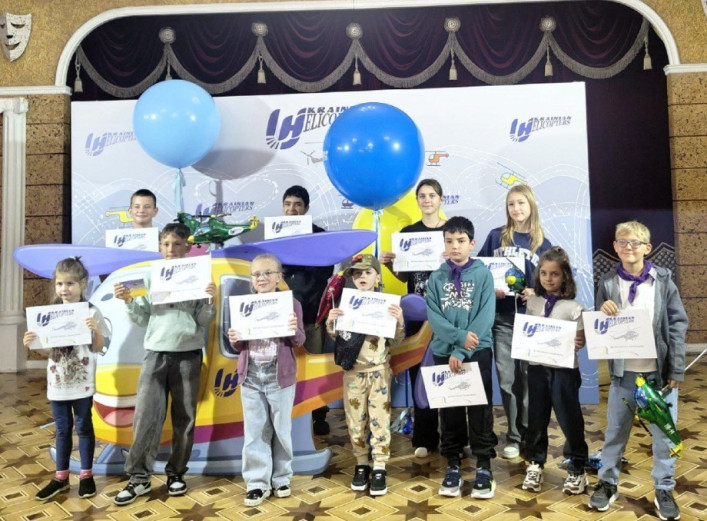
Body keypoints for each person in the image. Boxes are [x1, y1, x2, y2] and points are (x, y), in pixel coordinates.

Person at [589, 221, 687, 521]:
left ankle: (664, 488)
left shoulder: (663, 281)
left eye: (635, 243)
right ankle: (607, 482)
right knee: (615, 433)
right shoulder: (607, 282)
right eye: (622, 242)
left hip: (658, 378)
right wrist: (602, 311)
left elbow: (677, 325)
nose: (628, 247)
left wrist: (676, 368)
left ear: (647, 247)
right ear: (615, 247)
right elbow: (600, 327)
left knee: (664, 437)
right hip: (624, 377)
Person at [112, 223, 217, 505]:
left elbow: (204, 320)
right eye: (166, 244)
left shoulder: (199, 276)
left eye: (177, 244)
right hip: (156, 353)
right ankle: (139, 478)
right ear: (160, 247)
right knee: (146, 417)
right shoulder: (149, 276)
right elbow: (142, 318)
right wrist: (128, 301)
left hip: (188, 354)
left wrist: (210, 299)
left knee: (185, 418)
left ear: (187, 248)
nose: (171, 249)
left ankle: (177, 474)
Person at [23, 257, 108, 501]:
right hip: (57, 382)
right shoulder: (49, 314)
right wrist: (32, 344)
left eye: (70, 283)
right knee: (62, 429)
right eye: (60, 283)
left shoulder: (91, 311)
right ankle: (61, 477)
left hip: (82, 382)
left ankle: (86, 475)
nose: (64, 289)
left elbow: (98, 347)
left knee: (83, 426)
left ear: (83, 283)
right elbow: (47, 352)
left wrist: (96, 331)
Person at [477, 184, 551, 459]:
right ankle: (514, 436)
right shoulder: (496, 237)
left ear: (531, 205)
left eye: (521, 203)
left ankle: (530, 435)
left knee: (529, 382)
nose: (516, 209)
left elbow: (554, 282)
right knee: (507, 381)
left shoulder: (542, 243)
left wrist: (535, 292)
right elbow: (479, 271)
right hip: (503, 320)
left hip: (530, 321)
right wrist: (491, 288)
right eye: (511, 204)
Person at [426, 216, 498, 499]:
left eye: (460, 241)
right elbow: (435, 317)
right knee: (450, 410)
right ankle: (453, 463)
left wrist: (462, 350)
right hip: (443, 352)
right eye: (449, 241)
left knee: (480, 409)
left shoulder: (483, 275)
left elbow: (485, 317)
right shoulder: (436, 277)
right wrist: (456, 341)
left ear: (472, 243)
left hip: (477, 351)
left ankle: (484, 465)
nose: (454, 246)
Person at [227, 253, 305, 506]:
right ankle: (257, 483)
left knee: (281, 430)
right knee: (254, 431)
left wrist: (292, 329)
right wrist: (234, 338)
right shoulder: (244, 305)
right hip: (250, 375)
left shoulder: (291, 303)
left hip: (279, 375)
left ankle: (281, 477)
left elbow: (299, 340)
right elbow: (239, 345)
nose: (261, 278)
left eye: (267, 273)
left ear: (279, 276)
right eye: (256, 274)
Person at [325, 254, 405, 496]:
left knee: (380, 419)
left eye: (368, 272)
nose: (362, 277)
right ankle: (361, 463)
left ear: (377, 277)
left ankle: (379, 465)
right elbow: (337, 337)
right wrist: (331, 321)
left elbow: (396, 340)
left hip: (379, 372)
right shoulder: (345, 304)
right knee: (355, 421)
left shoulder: (386, 304)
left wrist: (399, 320)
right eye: (357, 273)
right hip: (353, 373)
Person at [379, 179, 444, 458]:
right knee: (420, 374)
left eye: (432, 195)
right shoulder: (408, 233)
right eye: (422, 196)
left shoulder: (451, 232)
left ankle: (452, 437)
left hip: (446, 313)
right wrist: (390, 265)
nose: (427, 200)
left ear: (441, 200)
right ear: (417, 201)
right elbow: (404, 275)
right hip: (417, 316)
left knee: (447, 371)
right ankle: (424, 437)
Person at [521, 246, 588, 495]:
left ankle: (577, 467)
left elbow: (580, 341)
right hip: (537, 369)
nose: (548, 279)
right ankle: (535, 463)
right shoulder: (533, 302)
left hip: (564, 372)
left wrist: (578, 341)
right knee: (536, 418)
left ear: (565, 276)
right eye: (544, 273)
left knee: (570, 420)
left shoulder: (573, 307)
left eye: (555, 274)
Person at [280, 185, 334, 435]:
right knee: (284, 369)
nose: (292, 209)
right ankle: (287, 416)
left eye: (297, 204)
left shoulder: (320, 237)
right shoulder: (274, 235)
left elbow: (324, 272)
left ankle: (318, 416)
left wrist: (295, 263)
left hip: (311, 315)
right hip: (280, 318)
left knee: (314, 367)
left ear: (306, 208)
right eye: (288, 204)